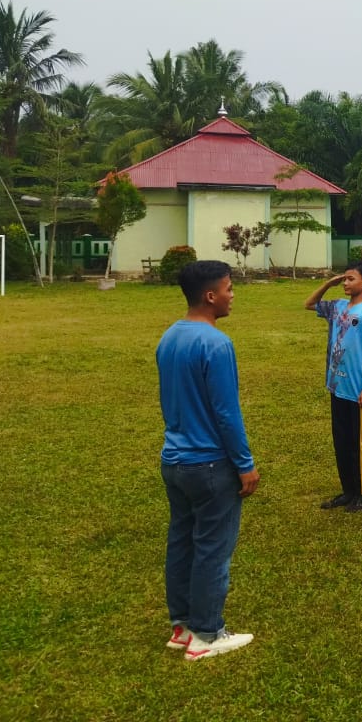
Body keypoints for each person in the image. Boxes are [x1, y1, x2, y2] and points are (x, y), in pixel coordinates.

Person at [158, 260, 258, 661]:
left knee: (182, 543)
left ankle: (182, 626)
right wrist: (245, 464)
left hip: (174, 461)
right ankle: (207, 634)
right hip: (210, 465)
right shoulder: (216, 343)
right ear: (210, 295)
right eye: (229, 289)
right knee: (213, 549)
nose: (233, 296)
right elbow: (226, 412)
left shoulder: (169, 336)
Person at [304, 262, 362, 513]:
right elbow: (309, 304)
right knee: (341, 441)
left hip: (357, 389)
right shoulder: (337, 306)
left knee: (359, 443)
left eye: (351, 279)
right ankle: (347, 490)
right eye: (344, 279)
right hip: (336, 386)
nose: (346, 283)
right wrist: (329, 283)